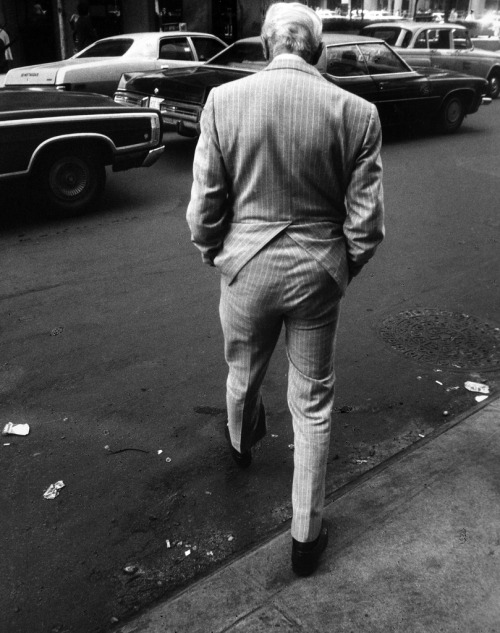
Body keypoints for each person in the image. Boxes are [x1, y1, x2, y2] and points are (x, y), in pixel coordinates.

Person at [187, 2, 384, 576]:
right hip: (318, 269)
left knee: (243, 370)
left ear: (266, 45)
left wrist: (214, 253)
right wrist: (340, 267)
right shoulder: (357, 112)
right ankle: (306, 534)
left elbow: (205, 203)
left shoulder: (224, 101)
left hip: (246, 266)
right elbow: (365, 224)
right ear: (316, 50)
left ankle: (240, 445)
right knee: (313, 400)